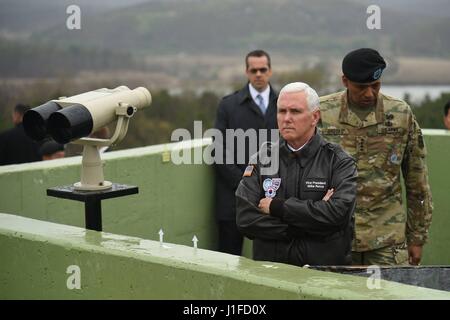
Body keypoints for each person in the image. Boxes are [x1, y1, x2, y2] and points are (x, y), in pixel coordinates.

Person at [319, 48, 433, 266]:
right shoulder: (322, 113)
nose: (369, 94)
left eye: (376, 85)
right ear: (345, 81)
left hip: (387, 238)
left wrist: (417, 237)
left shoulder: (400, 114)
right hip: (334, 236)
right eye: (361, 87)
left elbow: (417, 181)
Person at [235, 82, 357, 266]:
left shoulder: (338, 162)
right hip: (271, 274)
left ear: (315, 117)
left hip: (322, 276)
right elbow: (245, 219)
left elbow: (337, 215)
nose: (286, 118)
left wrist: (278, 208)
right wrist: (309, 226)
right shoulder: (262, 160)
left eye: (295, 111)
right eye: (282, 111)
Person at [214, 50, 278, 255]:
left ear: (270, 71)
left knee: (272, 259)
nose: (258, 74)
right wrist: (245, 183)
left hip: (274, 195)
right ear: (246, 72)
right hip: (233, 198)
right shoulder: (228, 105)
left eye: (263, 69)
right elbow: (218, 150)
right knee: (229, 258)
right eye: (254, 70)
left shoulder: (284, 105)